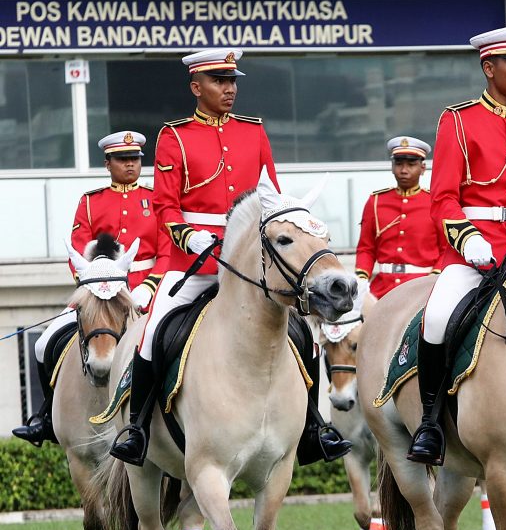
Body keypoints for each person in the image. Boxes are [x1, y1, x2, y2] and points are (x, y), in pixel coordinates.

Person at [109, 48, 349, 466]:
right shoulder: (175, 136)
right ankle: (137, 429)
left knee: (305, 336)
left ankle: (312, 429)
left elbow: (271, 199)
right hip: (195, 265)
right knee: (151, 335)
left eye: (233, 80)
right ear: (196, 87)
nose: (229, 88)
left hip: (252, 265)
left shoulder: (253, 131)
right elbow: (165, 207)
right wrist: (190, 237)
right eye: (220, 81)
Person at [406, 24, 506, 467]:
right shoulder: (458, 121)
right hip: (474, 251)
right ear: (488, 66)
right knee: (437, 317)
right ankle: (431, 422)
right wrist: (468, 238)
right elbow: (442, 198)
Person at [12, 131, 163, 446]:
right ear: (107, 163)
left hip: (147, 291)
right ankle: (48, 419)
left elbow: (165, 251)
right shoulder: (91, 202)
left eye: (135, 159)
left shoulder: (156, 199)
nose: (130, 165)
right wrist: (93, 290)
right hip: (97, 294)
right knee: (43, 346)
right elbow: (77, 254)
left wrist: (150, 286)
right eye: (122, 159)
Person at [354, 136, 444, 298]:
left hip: (421, 289)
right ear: (392, 166)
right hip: (381, 289)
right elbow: (366, 248)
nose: (403, 170)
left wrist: (433, 280)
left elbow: (445, 251)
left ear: (423, 168)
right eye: (399, 164)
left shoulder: (435, 202)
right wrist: (361, 280)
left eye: (411, 164)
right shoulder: (375, 201)